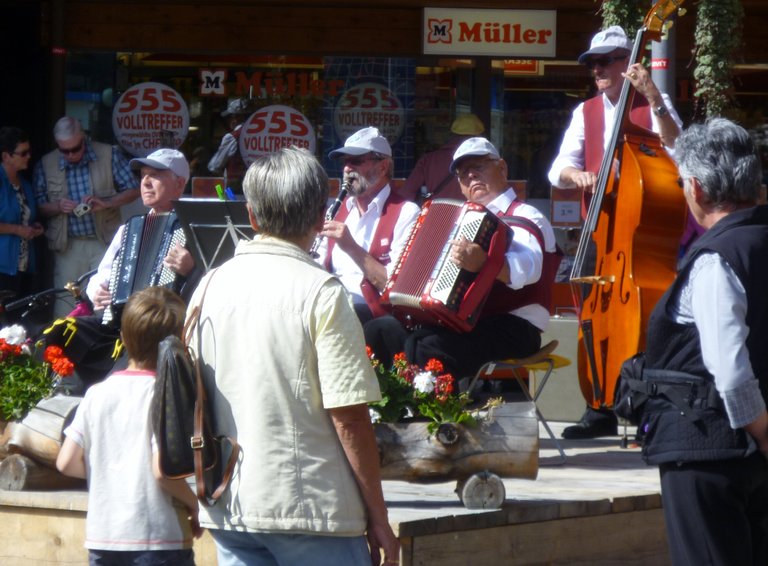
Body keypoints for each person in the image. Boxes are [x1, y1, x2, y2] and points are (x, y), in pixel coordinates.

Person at [188, 146, 400, 566]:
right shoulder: (321, 291)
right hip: (312, 512)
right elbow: (350, 416)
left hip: (230, 503)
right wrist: (379, 516)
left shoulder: (209, 284)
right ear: (322, 219)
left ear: (250, 216)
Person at [635, 118, 768, 565]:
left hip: (709, 447)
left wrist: (764, 432)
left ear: (696, 188)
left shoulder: (717, 259)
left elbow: (729, 370)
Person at [546, 26, 683, 439]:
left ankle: (643, 405)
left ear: (628, 64)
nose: (597, 70)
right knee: (591, 312)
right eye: (593, 63)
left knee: (645, 317)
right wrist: (580, 175)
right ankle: (598, 403)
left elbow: (679, 150)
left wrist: (654, 96)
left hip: (638, 234)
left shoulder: (652, 104)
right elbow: (557, 169)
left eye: (605, 61)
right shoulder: (585, 111)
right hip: (597, 229)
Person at [365, 137, 559, 380]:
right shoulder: (454, 221)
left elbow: (528, 270)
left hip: (514, 327)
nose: (471, 176)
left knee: (429, 347)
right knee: (381, 330)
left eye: (478, 167)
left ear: (502, 168)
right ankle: (395, 409)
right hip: (462, 325)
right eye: (463, 173)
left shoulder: (524, 215)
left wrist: (485, 263)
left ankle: (440, 415)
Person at [56, 286, 202, 565]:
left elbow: (66, 463)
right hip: (157, 537)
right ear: (180, 342)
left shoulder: (97, 393)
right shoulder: (162, 394)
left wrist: (114, 469)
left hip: (104, 535)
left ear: (123, 338)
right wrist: (195, 506)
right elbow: (162, 472)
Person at [33, 116, 139, 319]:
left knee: (103, 300)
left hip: (104, 241)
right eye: (65, 150)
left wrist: (106, 202)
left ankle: (102, 348)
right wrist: (57, 206)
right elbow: (38, 206)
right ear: (58, 146)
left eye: (76, 148)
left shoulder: (108, 154)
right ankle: (62, 350)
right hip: (68, 245)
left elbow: (134, 190)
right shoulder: (47, 163)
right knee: (66, 303)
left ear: (84, 138)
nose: (71, 154)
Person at [317, 126, 420, 323]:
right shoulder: (336, 209)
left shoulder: (406, 212)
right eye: (344, 162)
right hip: (330, 307)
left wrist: (352, 248)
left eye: (356, 161)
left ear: (382, 167)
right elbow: (316, 266)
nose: (347, 169)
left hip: (373, 316)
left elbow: (397, 288)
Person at [85, 148, 198, 315]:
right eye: (143, 175)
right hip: (129, 322)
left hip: (176, 323)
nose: (145, 182)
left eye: (154, 175)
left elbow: (217, 284)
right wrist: (96, 290)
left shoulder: (195, 228)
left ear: (179, 184)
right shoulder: (129, 229)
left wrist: (192, 270)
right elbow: (103, 272)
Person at [0, 127, 44, 312]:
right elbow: (17, 225)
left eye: (29, 151)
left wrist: (35, 227)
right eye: (23, 153)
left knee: (18, 322)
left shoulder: (24, 183)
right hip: (3, 265)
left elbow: (26, 217)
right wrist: (18, 230)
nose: (28, 156)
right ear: (6, 156)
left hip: (24, 264)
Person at [398, 112, 485, 203]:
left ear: (452, 134)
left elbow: (406, 193)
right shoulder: (484, 161)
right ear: (479, 137)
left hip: (436, 214)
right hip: (471, 214)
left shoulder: (428, 159)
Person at [207, 98, 250, 194]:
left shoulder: (232, 137)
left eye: (230, 117)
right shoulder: (256, 134)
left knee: (230, 207)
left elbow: (214, 166)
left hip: (234, 186)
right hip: (254, 184)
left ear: (236, 117)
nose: (228, 120)